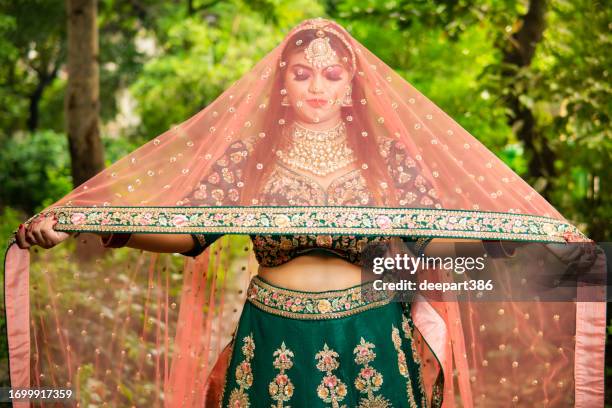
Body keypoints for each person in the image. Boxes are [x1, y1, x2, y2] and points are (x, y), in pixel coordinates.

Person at [7, 18, 604, 408]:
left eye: (331, 74)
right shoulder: (252, 160)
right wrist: (87, 224)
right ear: (283, 84)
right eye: (302, 73)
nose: (317, 85)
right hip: (273, 337)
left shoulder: (385, 162)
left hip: (370, 334)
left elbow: (432, 247)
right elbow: (191, 235)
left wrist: (521, 240)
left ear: (350, 86)